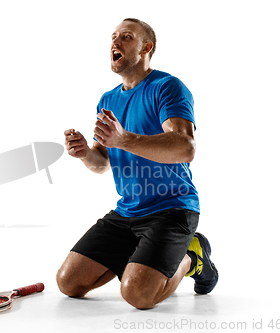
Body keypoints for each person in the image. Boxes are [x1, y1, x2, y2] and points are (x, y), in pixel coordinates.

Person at [56, 18, 218, 310]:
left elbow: (185, 147)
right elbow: (101, 163)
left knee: (138, 296)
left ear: (147, 47)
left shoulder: (167, 87)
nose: (115, 43)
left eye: (126, 37)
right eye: (113, 37)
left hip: (173, 209)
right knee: (69, 283)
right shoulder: (108, 99)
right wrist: (84, 154)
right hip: (128, 211)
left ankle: (193, 256)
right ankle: (142, 255)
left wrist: (124, 140)